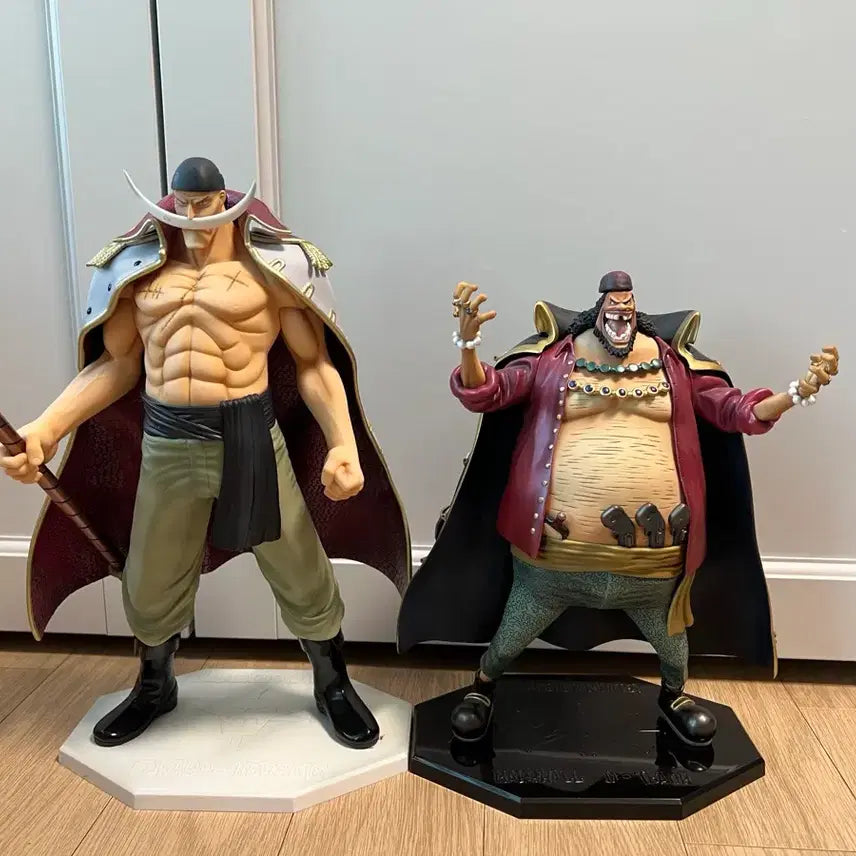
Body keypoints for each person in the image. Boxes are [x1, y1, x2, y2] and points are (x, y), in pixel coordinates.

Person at [1, 157, 410, 749]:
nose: (192, 216)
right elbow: (115, 364)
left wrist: (343, 443)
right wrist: (47, 427)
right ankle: (154, 683)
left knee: (297, 561)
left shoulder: (274, 268)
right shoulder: (135, 269)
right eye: (182, 204)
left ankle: (332, 681)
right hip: (168, 439)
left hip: (250, 435)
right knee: (152, 572)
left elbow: (314, 363)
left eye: (204, 204)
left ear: (226, 201)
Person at [397, 271, 838, 747]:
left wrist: (797, 393)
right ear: (599, 312)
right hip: (552, 555)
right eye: (613, 306)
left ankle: (674, 696)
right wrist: (468, 346)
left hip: (655, 561)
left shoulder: (674, 365)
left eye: (627, 306)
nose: (620, 314)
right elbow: (488, 392)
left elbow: (738, 411)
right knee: (511, 634)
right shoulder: (553, 359)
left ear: (635, 311)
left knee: (672, 645)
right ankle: (484, 683)